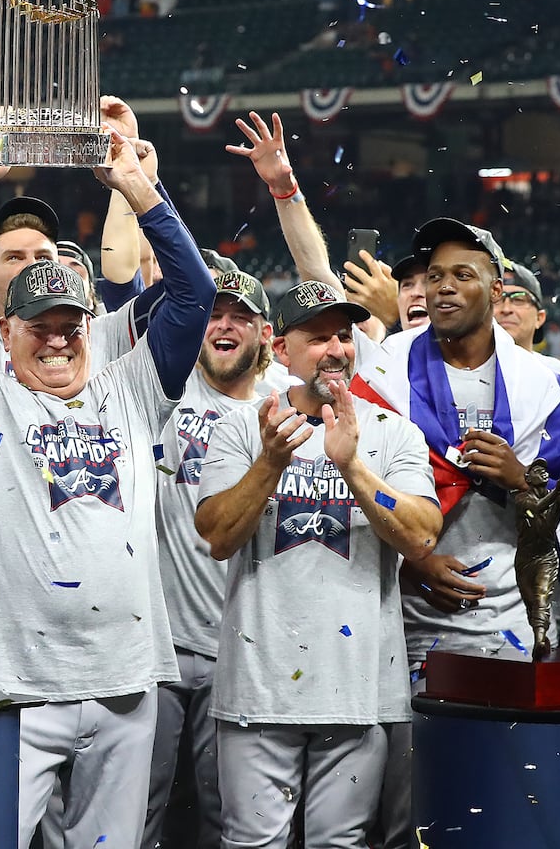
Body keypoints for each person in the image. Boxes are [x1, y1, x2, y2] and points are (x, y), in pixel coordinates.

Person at [0, 123, 215, 847]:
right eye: (38, 325)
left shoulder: (131, 388)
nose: (57, 338)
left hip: (124, 679)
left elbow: (194, 292)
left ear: (89, 326)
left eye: (71, 324)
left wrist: (136, 187)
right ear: (5, 331)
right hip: (16, 684)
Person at [355, 218, 560, 848]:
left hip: (511, 622)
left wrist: (524, 480)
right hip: (406, 622)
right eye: (435, 275)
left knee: (504, 800)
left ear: (496, 291)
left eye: (462, 275)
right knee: (410, 808)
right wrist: (414, 559)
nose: (443, 287)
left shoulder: (546, 384)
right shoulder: (383, 372)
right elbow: (351, 487)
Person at [196, 279, 440, 848]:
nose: (336, 350)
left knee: (340, 844)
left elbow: (422, 537)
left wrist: (353, 468)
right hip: (258, 687)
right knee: (251, 843)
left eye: (344, 336)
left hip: (358, 687)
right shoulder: (243, 427)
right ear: (282, 350)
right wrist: (269, 464)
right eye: (318, 338)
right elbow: (217, 535)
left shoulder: (393, 433)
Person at [142, 269, 278, 849]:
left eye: (240, 317)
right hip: (161, 644)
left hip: (243, 649)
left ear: (265, 332)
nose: (224, 325)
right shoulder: (162, 390)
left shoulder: (285, 404)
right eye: (214, 314)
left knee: (228, 815)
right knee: (142, 807)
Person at [495, 260, 560, 393]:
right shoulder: (462, 379)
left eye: (519, 300)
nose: (506, 309)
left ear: (539, 318)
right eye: (497, 300)